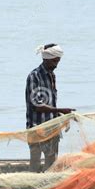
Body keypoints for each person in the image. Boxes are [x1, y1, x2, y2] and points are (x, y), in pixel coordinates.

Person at [25, 43, 75, 172]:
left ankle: (47, 186)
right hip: (37, 128)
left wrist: (62, 116)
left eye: (58, 61)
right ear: (45, 58)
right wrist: (60, 110)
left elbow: (50, 104)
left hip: (52, 128)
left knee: (52, 160)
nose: (56, 64)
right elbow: (37, 105)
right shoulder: (34, 76)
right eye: (54, 61)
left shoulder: (51, 75)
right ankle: (32, 186)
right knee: (35, 160)